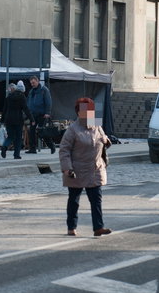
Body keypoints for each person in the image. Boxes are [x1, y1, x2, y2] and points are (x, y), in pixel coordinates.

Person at [59, 97, 112, 237]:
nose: (89, 114)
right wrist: (67, 168)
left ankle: (98, 228)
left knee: (96, 200)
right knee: (74, 201)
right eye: (86, 111)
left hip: (95, 169)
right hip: (77, 170)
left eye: (91, 110)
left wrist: (107, 141)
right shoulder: (72, 129)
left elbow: (103, 137)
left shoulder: (96, 124)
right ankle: (71, 227)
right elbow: (64, 150)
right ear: (78, 112)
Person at [0, 80, 33, 160]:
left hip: (8, 119)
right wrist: (32, 119)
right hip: (18, 119)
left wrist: (2, 120)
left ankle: (4, 146)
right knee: (18, 137)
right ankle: (16, 155)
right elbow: (26, 109)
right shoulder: (22, 97)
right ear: (23, 90)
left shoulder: (9, 97)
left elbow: (4, 110)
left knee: (10, 136)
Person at [26, 75, 55, 154]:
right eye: (31, 83)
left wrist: (47, 112)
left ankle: (51, 146)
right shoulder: (31, 91)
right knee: (31, 131)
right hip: (33, 115)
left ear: (37, 81)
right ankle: (32, 148)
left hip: (42, 114)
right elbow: (29, 102)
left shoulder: (44, 90)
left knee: (43, 132)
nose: (32, 84)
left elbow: (48, 102)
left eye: (33, 83)